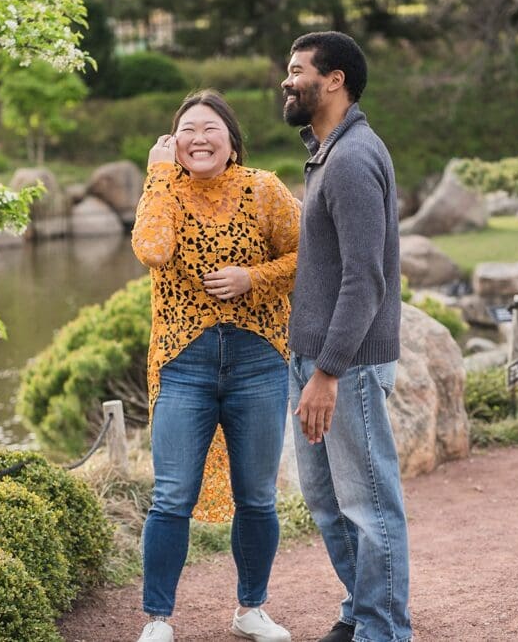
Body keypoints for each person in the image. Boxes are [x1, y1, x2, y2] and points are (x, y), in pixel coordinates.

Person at [131, 90, 302, 642]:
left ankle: (251, 609)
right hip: (184, 362)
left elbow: (309, 256)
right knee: (171, 497)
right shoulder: (163, 192)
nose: (199, 138)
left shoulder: (263, 189)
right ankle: (158, 619)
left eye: (210, 128)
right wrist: (158, 175)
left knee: (257, 497)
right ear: (171, 142)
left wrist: (253, 278)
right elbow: (152, 249)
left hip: (259, 359)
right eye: (187, 129)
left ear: (231, 140)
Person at [282, 32, 412, 642]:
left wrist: (328, 372)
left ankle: (384, 631)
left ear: (334, 80)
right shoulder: (328, 153)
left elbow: (366, 279)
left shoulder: (354, 159)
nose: (287, 81)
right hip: (316, 359)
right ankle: (362, 610)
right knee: (327, 502)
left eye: (297, 70)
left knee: (368, 505)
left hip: (346, 366)